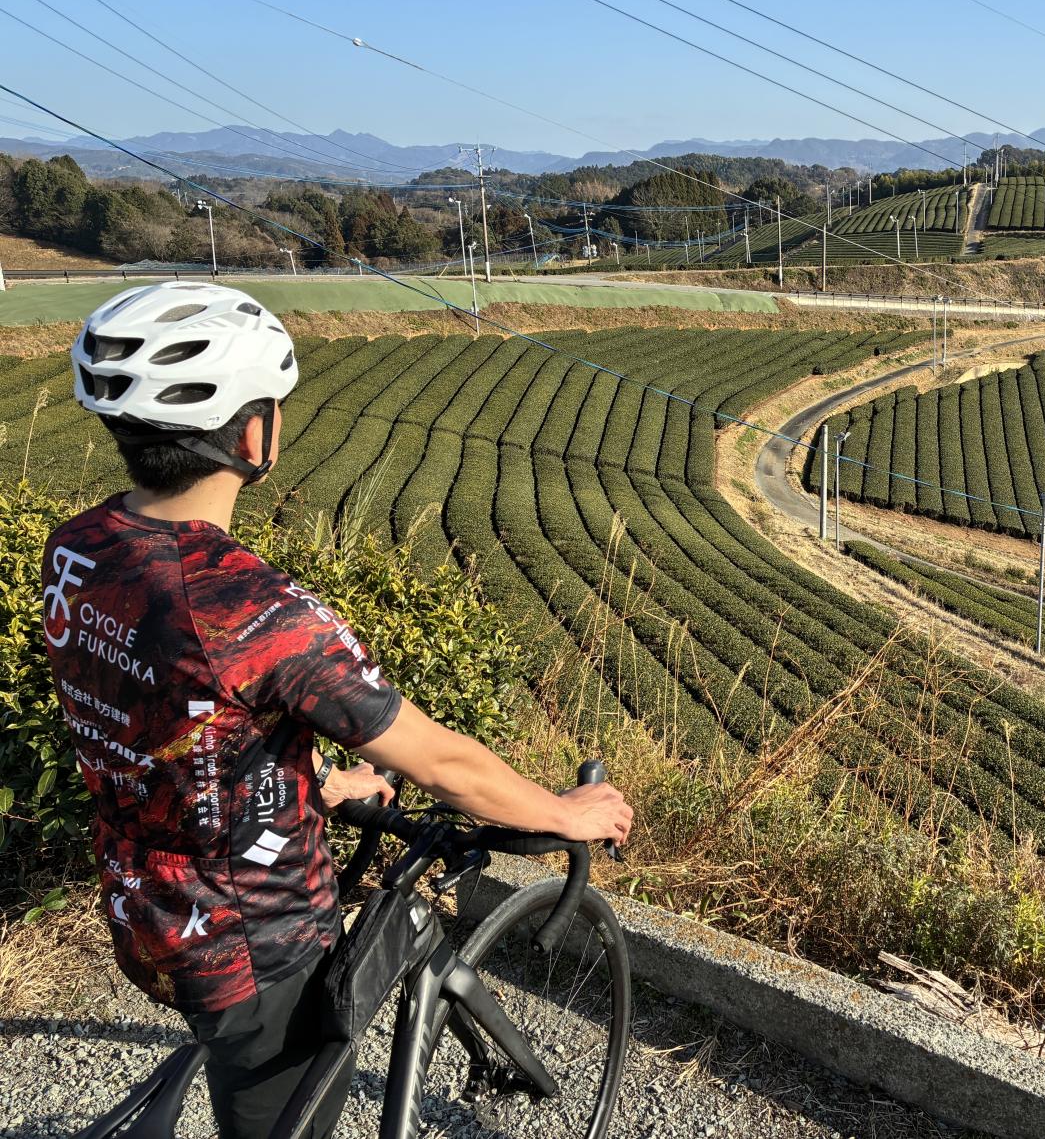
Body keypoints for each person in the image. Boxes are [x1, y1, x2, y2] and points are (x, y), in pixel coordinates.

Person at [41, 281, 633, 1139]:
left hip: (140, 905)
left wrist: (311, 779)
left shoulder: (77, 547)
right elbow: (439, 761)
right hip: (253, 943)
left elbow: (174, 720)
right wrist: (561, 810)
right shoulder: (256, 611)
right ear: (255, 433)